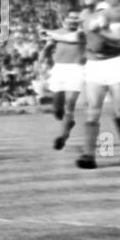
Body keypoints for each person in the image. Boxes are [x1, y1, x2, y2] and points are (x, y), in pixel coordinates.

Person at [73, 0, 120, 169]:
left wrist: (100, 30)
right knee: (92, 111)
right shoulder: (83, 14)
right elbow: (84, 38)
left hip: (115, 64)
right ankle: (88, 156)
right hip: (94, 65)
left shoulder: (112, 12)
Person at [39, 11, 86, 150]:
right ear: (64, 19)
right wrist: (41, 60)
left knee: (69, 105)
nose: (73, 20)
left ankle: (63, 136)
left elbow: (72, 39)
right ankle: (68, 122)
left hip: (76, 69)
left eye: (75, 18)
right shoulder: (57, 33)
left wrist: (48, 33)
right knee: (58, 110)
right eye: (70, 18)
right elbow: (47, 48)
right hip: (59, 70)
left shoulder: (82, 33)